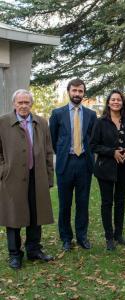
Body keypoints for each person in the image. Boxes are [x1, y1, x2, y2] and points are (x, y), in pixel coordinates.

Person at [0, 89, 54, 269]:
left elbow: (48, 151)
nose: (23, 106)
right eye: (20, 102)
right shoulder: (3, 122)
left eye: (27, 102)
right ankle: (15, 254)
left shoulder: (41, 122)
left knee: (36, 213)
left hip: (37, 176)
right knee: (13, 216)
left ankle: (34, 250)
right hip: (12, 177)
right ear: (14, 104)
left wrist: (48, 176)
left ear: (31, 104)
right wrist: (4, 170)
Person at [49, 78, 97, 251]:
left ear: (84, 93)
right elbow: (53, 140)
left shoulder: (91, 115)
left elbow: (93, 139)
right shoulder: (57, 114)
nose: (77, 94)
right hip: (65, 163)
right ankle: (66, 238)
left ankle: (82, 236)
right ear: (69, 91)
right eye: (74, 91)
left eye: (80, 91)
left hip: (84, 163)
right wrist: (62, 153)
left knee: (82, 202)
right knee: (65, 203)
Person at [90, 90, 125, 251]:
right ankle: (109, 236)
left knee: (120, 202)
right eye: (113, 99)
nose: (116, 102)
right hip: (105, 168)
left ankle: (118, 234)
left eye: (119, 100)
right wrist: (112, 152)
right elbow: (93, 145)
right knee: (107, 202)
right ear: (108, 103)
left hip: (124, 168)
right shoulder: (100, 122)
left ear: (123, 103)